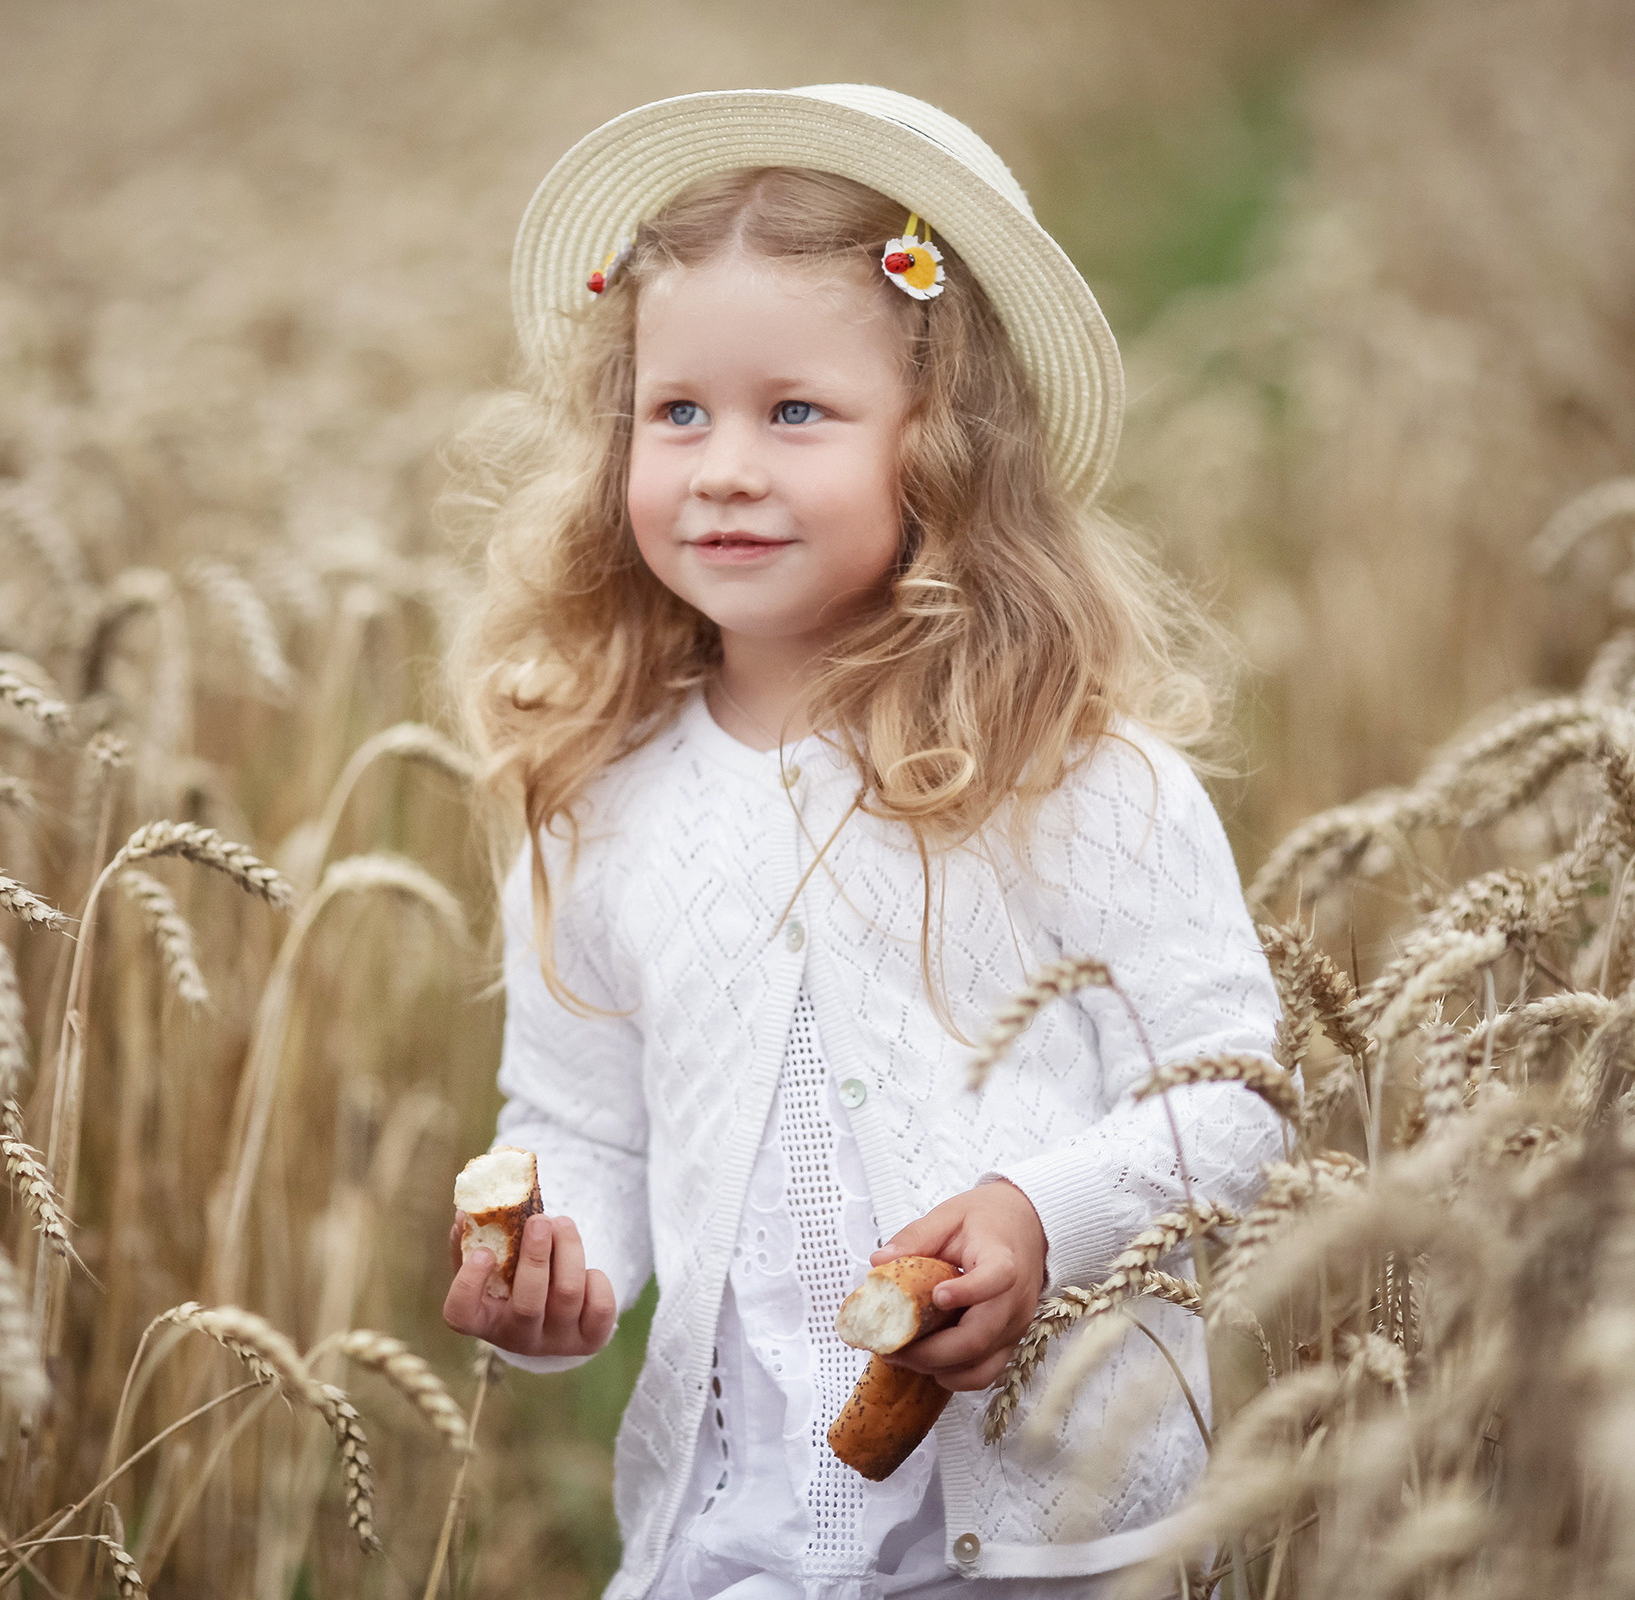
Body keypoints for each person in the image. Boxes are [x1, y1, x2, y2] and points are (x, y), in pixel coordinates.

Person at [440, 86, 1285, 1600]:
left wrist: (1046, 1217)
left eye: (797, 413)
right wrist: (561, 1266)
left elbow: (1230, 1092)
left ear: (943, 447)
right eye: (677, 411)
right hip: (737, 1526)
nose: (725, 465)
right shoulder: (596, 800)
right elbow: (584, 1124)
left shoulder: (1078, 780)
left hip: (1048, 1532)